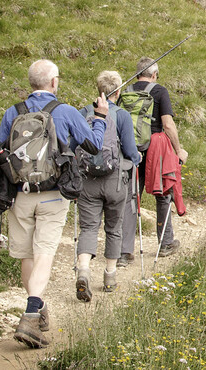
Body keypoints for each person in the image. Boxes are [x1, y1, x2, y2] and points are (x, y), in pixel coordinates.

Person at [0, 59, 108, 349]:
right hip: (53, 195)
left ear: (31, 83)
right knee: (45, 253)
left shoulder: (12, 112)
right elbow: (94, 146)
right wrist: (100, 117)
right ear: (54, 83)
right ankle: (30, 313)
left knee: (27, 255)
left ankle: (37, 310)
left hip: (21, 195)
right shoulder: (65, 111)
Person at [74, 71, 141, 301]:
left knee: (89, 227)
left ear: (99, 89)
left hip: (87, 181)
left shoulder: (83, 112)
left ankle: (83, 270)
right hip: (115, 180)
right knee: (114, 227)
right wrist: (137, 159)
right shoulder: (121, 115)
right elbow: (131, 151)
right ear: (119, 91)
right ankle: (110, 277)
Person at [118, 57, 188, 263]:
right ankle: (165, 243)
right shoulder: (159, 91)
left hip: (130, 149)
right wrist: (178, 150)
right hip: (155, 150)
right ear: (154, 74)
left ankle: (124, 252)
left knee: (131, 197)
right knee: (163, 193)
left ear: (138, 72)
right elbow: (167, 124)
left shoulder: (126, 91)